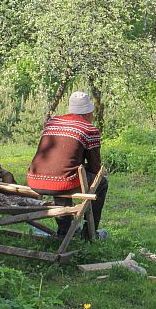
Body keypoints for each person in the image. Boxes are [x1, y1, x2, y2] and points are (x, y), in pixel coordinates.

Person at [26, 91, 108, 238]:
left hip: (35, 178)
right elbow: (96, 168)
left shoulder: (52, 122)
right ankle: (89, 233)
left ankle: (65, 231)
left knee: (64, 174)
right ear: (88, 112)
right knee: (101, 183)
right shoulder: (89, 129)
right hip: (61, 182)